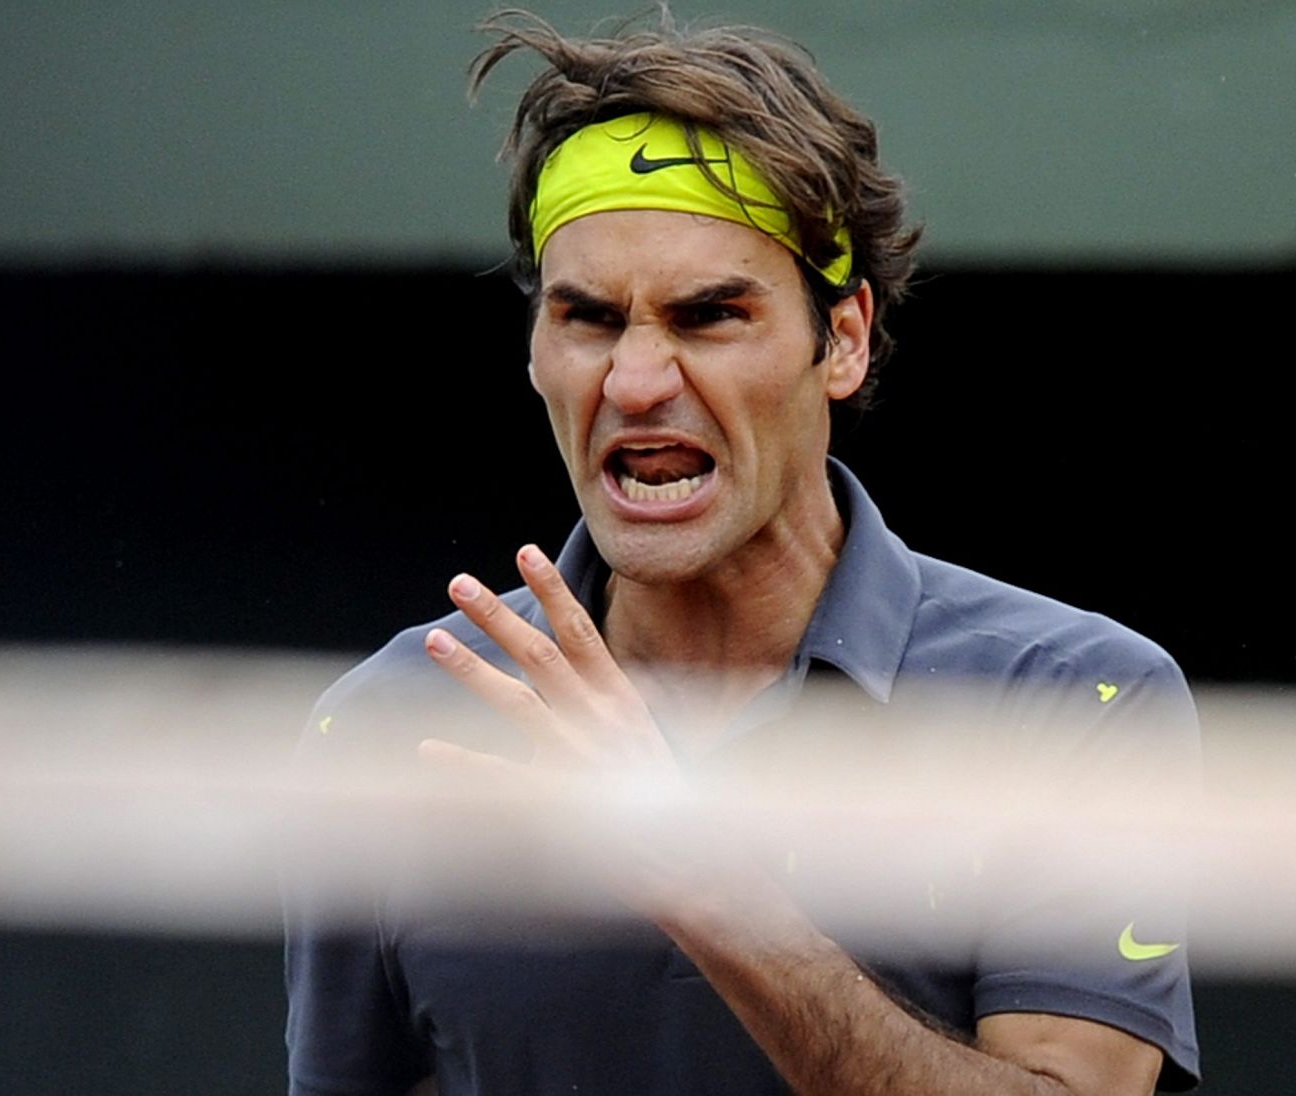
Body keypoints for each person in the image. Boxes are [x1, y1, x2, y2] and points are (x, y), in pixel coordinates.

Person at [287, 10, 1199, 1094]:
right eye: (586, 318)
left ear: (843, 339)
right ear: (537, 351)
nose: (633, 382)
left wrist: (697, 873)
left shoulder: (1075, 700)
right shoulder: (383, 724)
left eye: (708, 315)